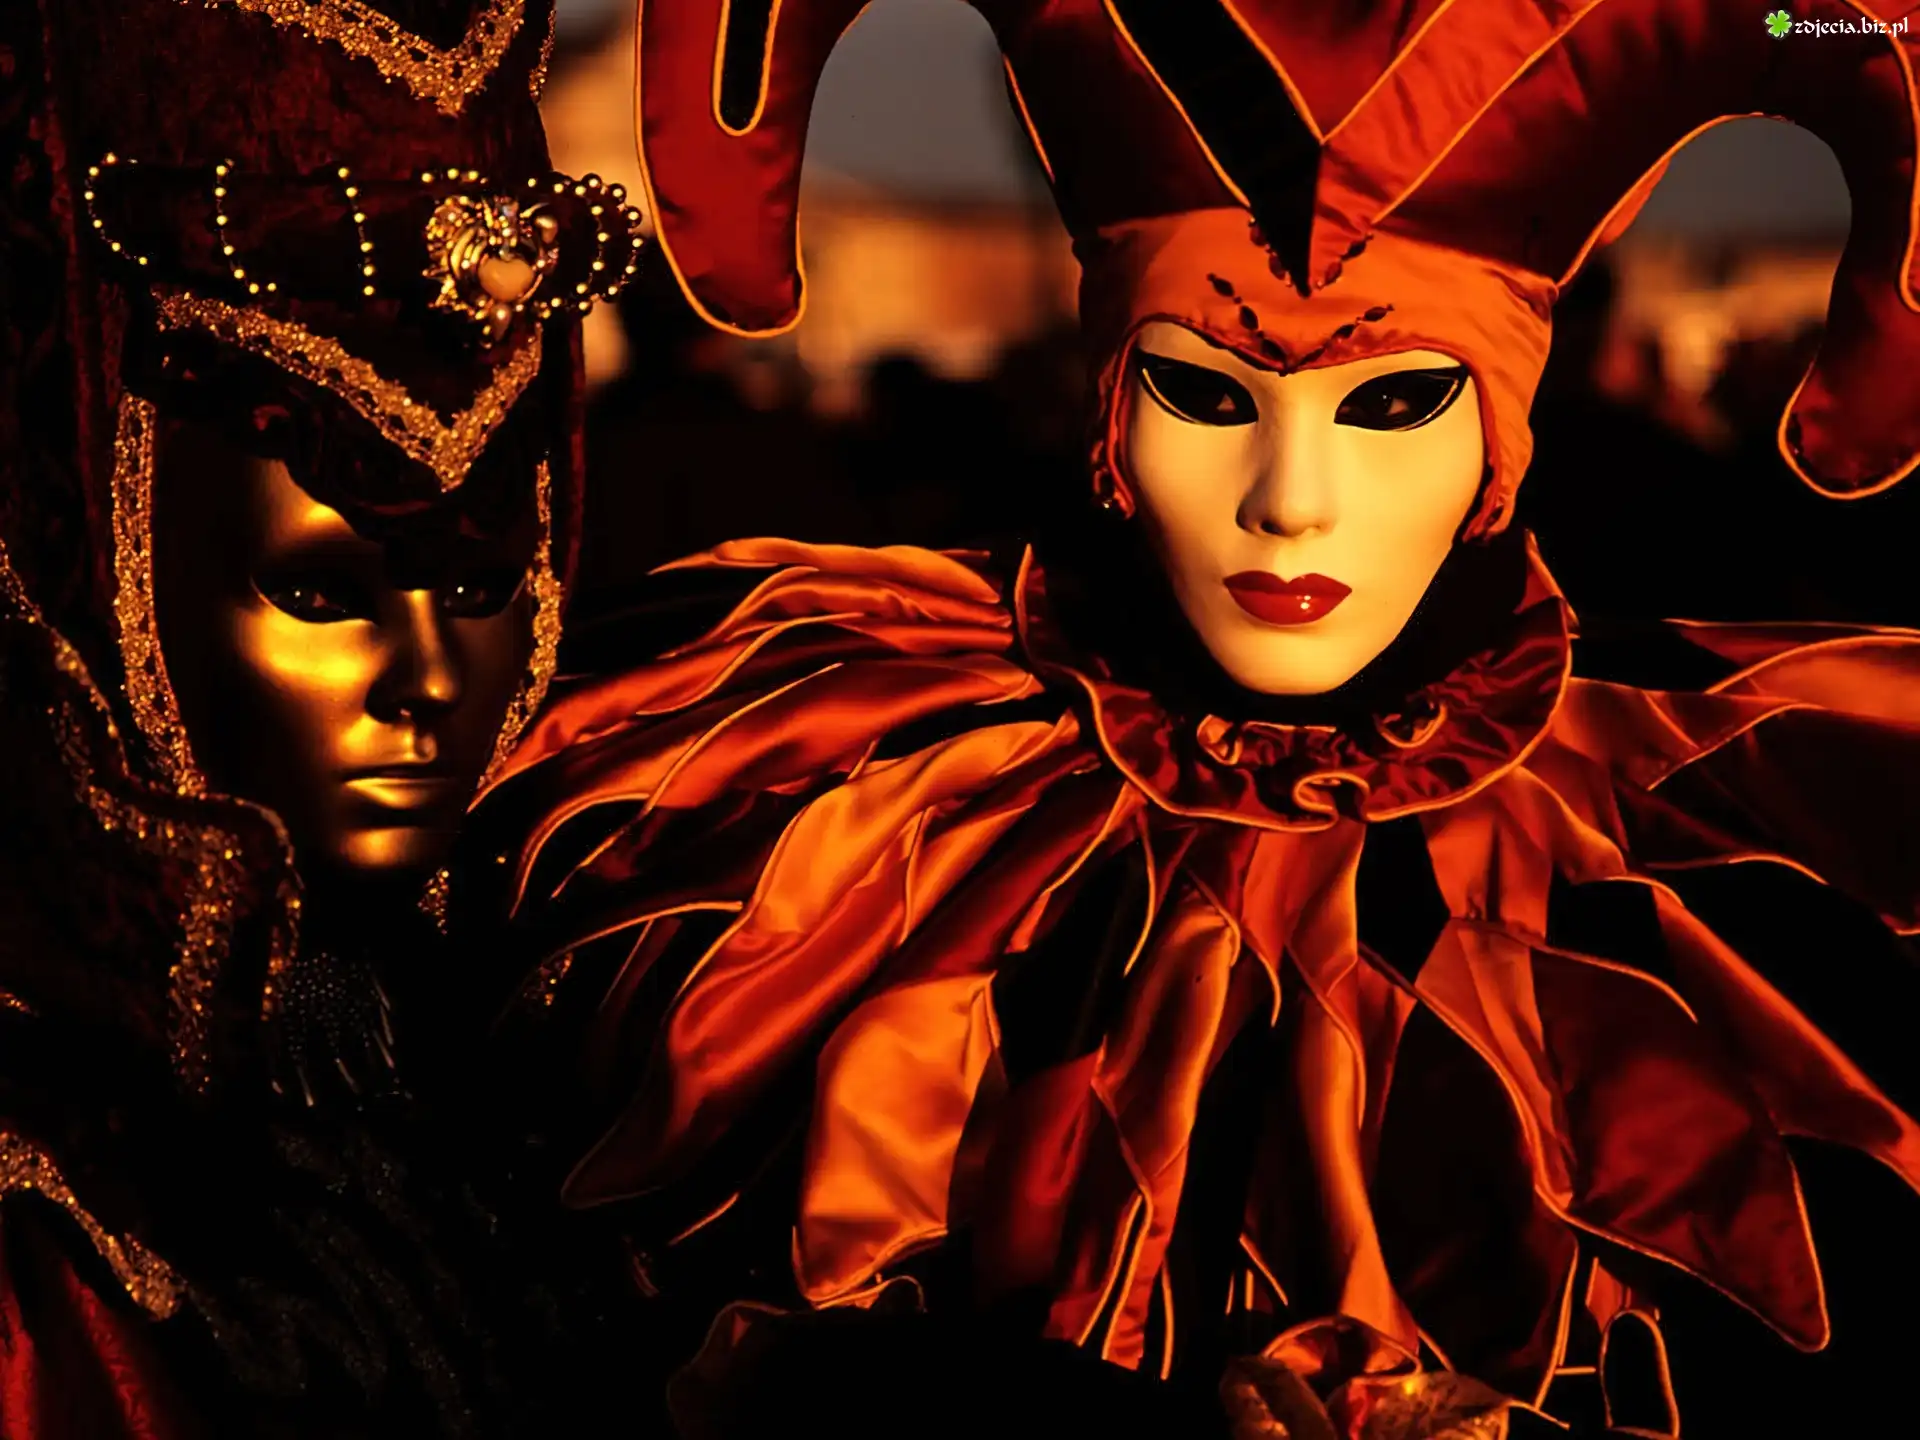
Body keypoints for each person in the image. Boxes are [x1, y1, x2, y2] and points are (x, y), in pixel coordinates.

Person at [470, 1, 1920, 1435]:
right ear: (1111, 407)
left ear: (1505, 426)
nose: (1290, 503)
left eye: (1396, 402)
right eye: (1202, 392)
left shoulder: (1789, 841)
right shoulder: (831, 787)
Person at [0, 1, 662, 1433]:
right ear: (111, 575)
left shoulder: (577, 1066)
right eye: (318, 593)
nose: (426, 679)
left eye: (478, 587)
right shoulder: (44, 1224)